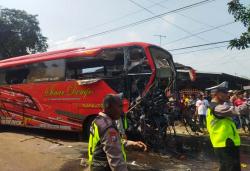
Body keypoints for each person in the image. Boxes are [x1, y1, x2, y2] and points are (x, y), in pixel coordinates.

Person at [88, 94, 147, 171]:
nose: (122, 111)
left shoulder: (98, 121)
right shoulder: (108, 128)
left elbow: (107, 142)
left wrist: (131, 143)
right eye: (120, 106)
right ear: (108, 107)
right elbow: (116, 163)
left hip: (96, 165)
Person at [206, 81, 250, 171]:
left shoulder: (217, 106)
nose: (227, 95)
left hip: (227, 143)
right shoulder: (216, 107)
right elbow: (238, 110)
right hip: (224, 143)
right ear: (217, 94)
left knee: (228, 167)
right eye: (225, 92)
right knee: (231, 168)